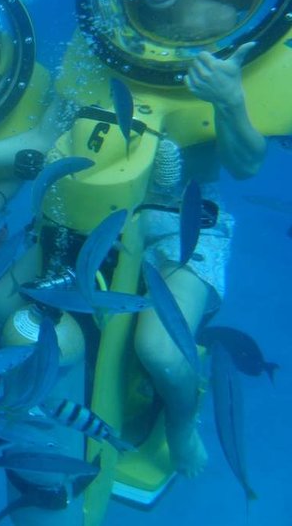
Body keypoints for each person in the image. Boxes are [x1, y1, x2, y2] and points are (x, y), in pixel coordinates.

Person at [135, 41, 263, 476]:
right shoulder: (108, 37)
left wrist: (229, 98)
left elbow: (246, 166)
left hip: (186, 220)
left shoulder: (226, 43)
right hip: (99, 217)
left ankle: (181, 423)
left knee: (162, 352)